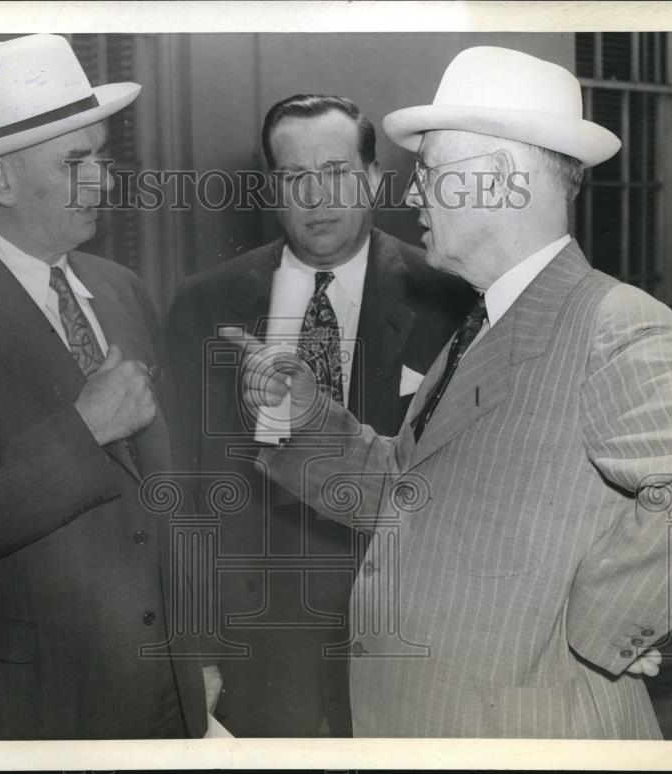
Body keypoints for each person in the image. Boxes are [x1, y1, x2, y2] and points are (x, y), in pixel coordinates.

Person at [227, 46, 672, 739]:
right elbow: (409, 497)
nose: (411, 195)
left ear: (499, 180)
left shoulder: (609, 322)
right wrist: (306, 421)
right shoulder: (485, 319)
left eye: (432, 173)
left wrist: (594, 623)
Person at [0, 34, 213, 739]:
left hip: (165, 691)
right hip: (31, 712)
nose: (105, 183)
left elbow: (171, 492)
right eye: (76, 163)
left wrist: (199, 651)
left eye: (103, 159)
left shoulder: (122, 290)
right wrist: (82, 429)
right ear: (0, 180)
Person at [166, 95, 471, 736]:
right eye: (295, 178)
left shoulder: (451, 304)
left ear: (374, 180)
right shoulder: (205, 305)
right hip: (255, 648)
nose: (316, 197)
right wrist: (192, 646)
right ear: (271, 189)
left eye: (335, 172)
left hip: (403, 634)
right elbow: (182, 497)